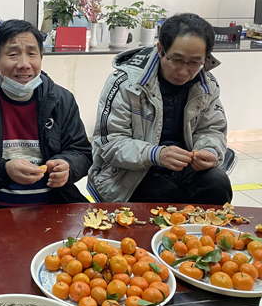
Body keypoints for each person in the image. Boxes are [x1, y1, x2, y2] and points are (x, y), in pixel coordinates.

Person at [88, 13, 232, 205]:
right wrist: (156, 154)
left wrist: (208, 149)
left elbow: (212, 129)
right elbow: (109, 142)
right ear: (160, 50)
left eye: (194, 63)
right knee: (167, 201)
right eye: (176, 60)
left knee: (217, 184)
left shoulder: (206, 85)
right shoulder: (126, 83)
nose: (183, 71)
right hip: (130, 172)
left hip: (184, 167)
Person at [0, 19, 92, 213]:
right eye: (13, 54)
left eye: (32, 54)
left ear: (41, 58)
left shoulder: (61, 101)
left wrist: (68, 166)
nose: (24, 64)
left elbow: (82, 153)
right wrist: (4, 170)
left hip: (54, 210)